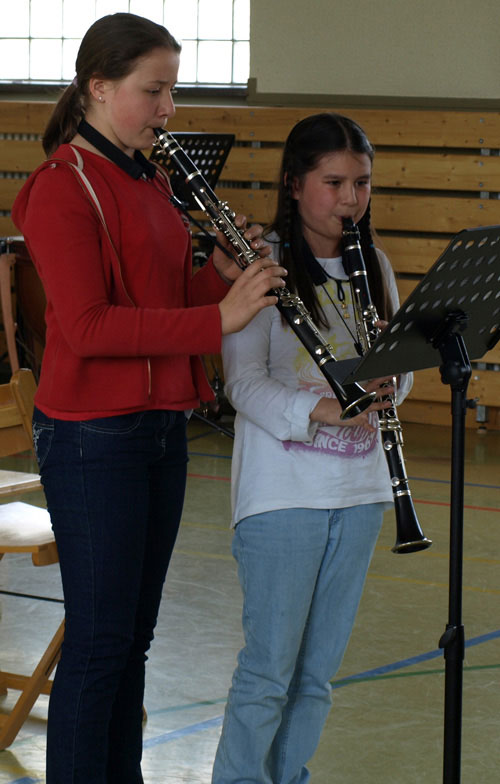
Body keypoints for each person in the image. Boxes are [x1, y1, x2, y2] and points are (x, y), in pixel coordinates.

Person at [11, 12, 286, 784]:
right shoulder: (60, 189)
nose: (170, 108)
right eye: (153, 90)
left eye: (173, 89)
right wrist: (218, 316)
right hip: (94, 435)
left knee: (132, 638)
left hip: (160, 423)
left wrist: (224, 275)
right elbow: (92, 326)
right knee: (99, 642)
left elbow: (162, 299)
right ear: (98, 88)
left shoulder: (153, 178)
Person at [212, 112, 413, 784]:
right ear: (296, 184)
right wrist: (321, 408)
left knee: (318, 675)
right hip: (281, 498)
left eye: (362, 183)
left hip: (359, 496)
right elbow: (243, 383)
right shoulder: (260, 262)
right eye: (335, 182)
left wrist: (393, 382)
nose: (352, 198)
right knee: (269, 671)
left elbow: (400, 369)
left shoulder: (374, 263)